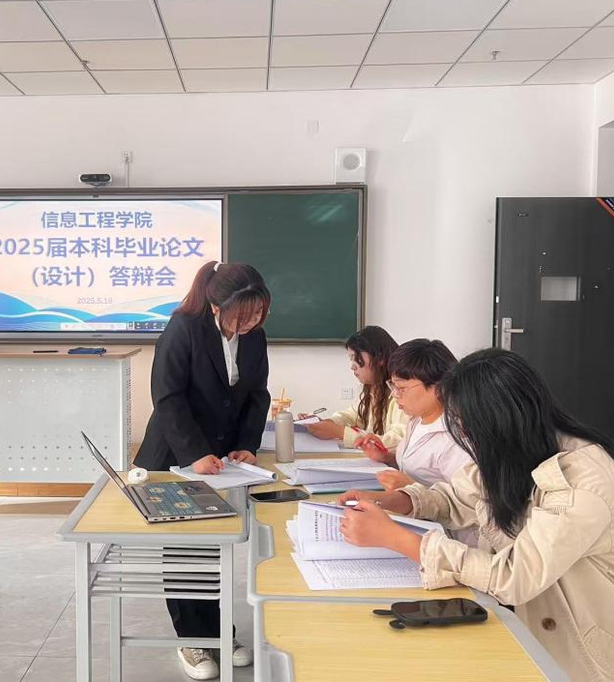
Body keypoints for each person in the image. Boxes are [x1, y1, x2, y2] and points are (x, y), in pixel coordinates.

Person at [338, 349, 614, 681]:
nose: (461, 432)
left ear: (498, 419)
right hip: (547, 630)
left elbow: (516, 576)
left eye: (463, 422)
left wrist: (400, 540)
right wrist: (394, 501)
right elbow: (457, 497)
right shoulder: (516, 449)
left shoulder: (583, 478)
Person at [134, 260, 270, 680]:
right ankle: (192, 640)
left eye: (258, 313)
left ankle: (221, 634)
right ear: (216, 306)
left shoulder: (255, 335)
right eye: (242, 316)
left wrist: (247, 444)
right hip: (176, 456)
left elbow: (257, 394)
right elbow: (168, 397)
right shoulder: (184, 327)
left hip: (223, 460)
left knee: (213, 548)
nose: (251, 323)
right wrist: (194, 452)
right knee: (183, 550)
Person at [358, 338, 472, 492]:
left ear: (438, 388)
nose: (395, 394)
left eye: (402, 388)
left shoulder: (455, 438)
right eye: (393, 385)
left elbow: (465, 501)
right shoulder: (417, 420)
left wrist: (411, 488)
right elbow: (416, 470)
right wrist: (387, 458)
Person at [301, 326, 408, 451]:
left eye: (356, 358)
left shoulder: (401, 393)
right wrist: (329, 423)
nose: (352, 367)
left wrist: (340, 432)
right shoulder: (373, 389)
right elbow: (354, 415)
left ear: (379, 358)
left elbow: (398, 441)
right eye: (351, 359)